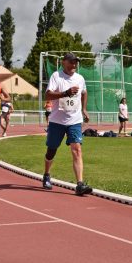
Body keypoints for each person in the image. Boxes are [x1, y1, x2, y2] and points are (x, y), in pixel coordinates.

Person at [42, 52, 92, 196]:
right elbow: (47, 95)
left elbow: (84, 92)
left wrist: (83, 109)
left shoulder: (80, 78)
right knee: (51, 150)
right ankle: (46, 174)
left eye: (76, 62)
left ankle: (80, 184)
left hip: (74, 121)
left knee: (77, 150)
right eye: (71, 62)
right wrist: (65, 93)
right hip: (57, 121)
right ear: (63, 62)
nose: (74, 65)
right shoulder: (56, 76)